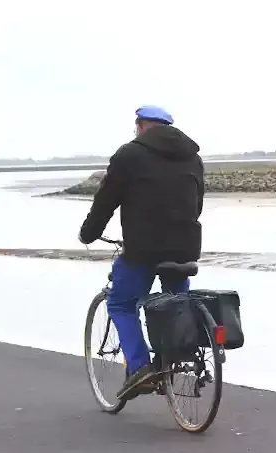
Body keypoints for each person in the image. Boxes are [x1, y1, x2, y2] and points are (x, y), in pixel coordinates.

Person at [78, 105, 204, 400]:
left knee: (121, 303)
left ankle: (140, 369)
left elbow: (106, 200)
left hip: (143, 248)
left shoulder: (129, 155)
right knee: (177, 305)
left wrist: (89, 232)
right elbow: (196, 203)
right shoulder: (193, 158)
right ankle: (173, 359)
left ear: (142, 126)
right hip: (186, 247)